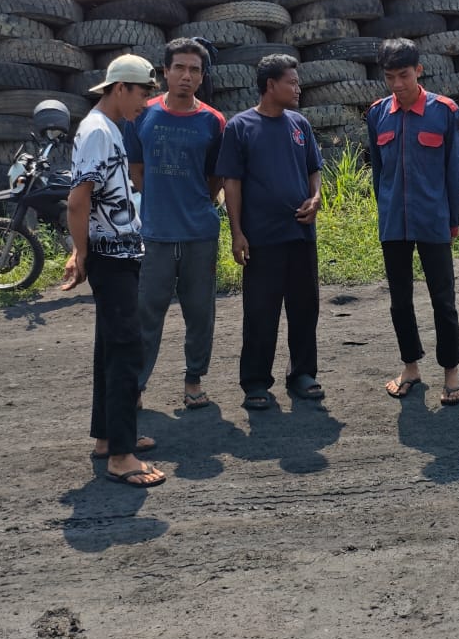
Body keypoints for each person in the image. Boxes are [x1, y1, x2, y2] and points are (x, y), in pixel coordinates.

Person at [61, 54, 166, 487]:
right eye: (142, 94)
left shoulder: (106, 128)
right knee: (125, 349)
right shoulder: (99, 132)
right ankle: (121, 457)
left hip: (116, 253)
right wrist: (81, 252)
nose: (145, 103)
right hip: (112, 257)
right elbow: (78, 199)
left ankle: (109, 437)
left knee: (111, 346)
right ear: (119, 88)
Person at [214, 54, 325, 410]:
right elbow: (231, 183)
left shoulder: (299, 124)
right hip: (262, 238)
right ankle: (256, 382)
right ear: (270, 85)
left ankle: (302, 373)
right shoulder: (241, 127)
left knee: (305, 308)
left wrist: (316, 198)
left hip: (301, 235)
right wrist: (237, 232)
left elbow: (313, 169)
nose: (298, 88)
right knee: (260, 313)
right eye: (291, 82)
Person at [365, 38, 459, 406]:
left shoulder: (445, 111)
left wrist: (453, 219)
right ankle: (410, 367)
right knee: (399, 299)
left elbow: (455, 171)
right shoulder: (377, 114)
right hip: (394, 222)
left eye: (404, 75)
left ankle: (451, 372)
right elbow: (378, 173)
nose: (397, 84)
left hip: (433, 219)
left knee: (443, 299)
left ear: (419, 71)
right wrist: (384, 211)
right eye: (390, 77)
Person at [125, 38, 226, 410]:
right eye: (179, 68)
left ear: (202, 76)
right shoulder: (142, 115)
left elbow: (216, 177)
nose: (186, 76)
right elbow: (136, 170)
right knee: (146, 312)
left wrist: (195, 202)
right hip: (156, 234)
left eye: (194, 70)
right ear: (165, 71)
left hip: (200, 233)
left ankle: (193, 379)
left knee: (200, 312)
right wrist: (159, 201)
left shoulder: (213, 121)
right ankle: (136, 385)